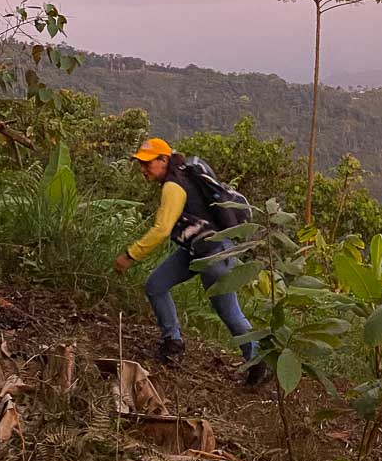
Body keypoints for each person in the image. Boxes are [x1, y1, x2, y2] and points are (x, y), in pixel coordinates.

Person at [113, 137, 268, 386]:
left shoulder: (174, 186)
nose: (143, 169)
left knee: (228, 310)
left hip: (213, 254)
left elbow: (161, 229)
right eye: (141, 164)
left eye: (147, 163)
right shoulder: (183, 174)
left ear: (163, 160)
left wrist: (130, 255)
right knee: (155, 286)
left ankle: (258, 360)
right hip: (195, 249)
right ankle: (172, 343)